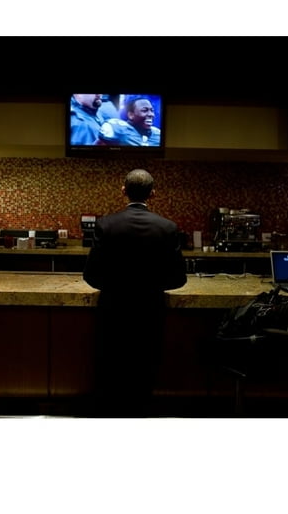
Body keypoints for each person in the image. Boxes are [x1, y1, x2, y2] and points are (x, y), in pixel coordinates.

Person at [83, 169, 187, 416]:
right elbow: (178, 278)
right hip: (150, 312)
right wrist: (150, 284)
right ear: (153, 193)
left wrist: (116, 285)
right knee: (144, 369)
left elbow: (91, 275)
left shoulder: (105, 224)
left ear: (123, 190)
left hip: (113, 311)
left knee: (111, 370)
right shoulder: (168, 227)